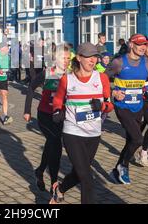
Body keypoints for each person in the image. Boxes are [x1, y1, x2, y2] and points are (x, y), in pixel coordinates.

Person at [49, 43, 114, 204]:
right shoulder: (67, 79)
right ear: (78, 58)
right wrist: (57, 110)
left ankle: (60, 189)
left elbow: (109, 104)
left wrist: (103, 106)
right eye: (88, 57)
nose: (93, 60)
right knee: (87, 178)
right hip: (72, 132)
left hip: (93, 133)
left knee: (79, 174)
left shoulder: (102, 78)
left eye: (95, 57)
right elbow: (58, 99)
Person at [105, 34, 148, 185]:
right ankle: (123, 166)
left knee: (131, 141)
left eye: (145, 44)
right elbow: (101, 79)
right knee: (137, 139)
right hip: (122, 106)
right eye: (139, 44)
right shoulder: (118, 62)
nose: (143, 47)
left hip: (138, 106)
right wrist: (113, 92)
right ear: (131, 45)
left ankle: (117, 170)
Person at [23, 44, 71, 193]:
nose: (66, 61)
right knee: (55, 143)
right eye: (63, 58)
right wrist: (27, 111)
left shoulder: (71, 75)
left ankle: (40, 170)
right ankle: (54, 182)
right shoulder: (47, 72)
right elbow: (31, 88)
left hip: (61, 116)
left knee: (52, 144)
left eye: (68, 58)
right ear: (55, 58)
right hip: (44, 115)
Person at [0, 43, 13, 125]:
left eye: (8, 49)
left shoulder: (8, 57)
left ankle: (5, 116)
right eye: (6, 49)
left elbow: (9, 68)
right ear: (1, 49)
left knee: (5, 96)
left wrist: (8, 75)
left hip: (4, 79)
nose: (7, 50)